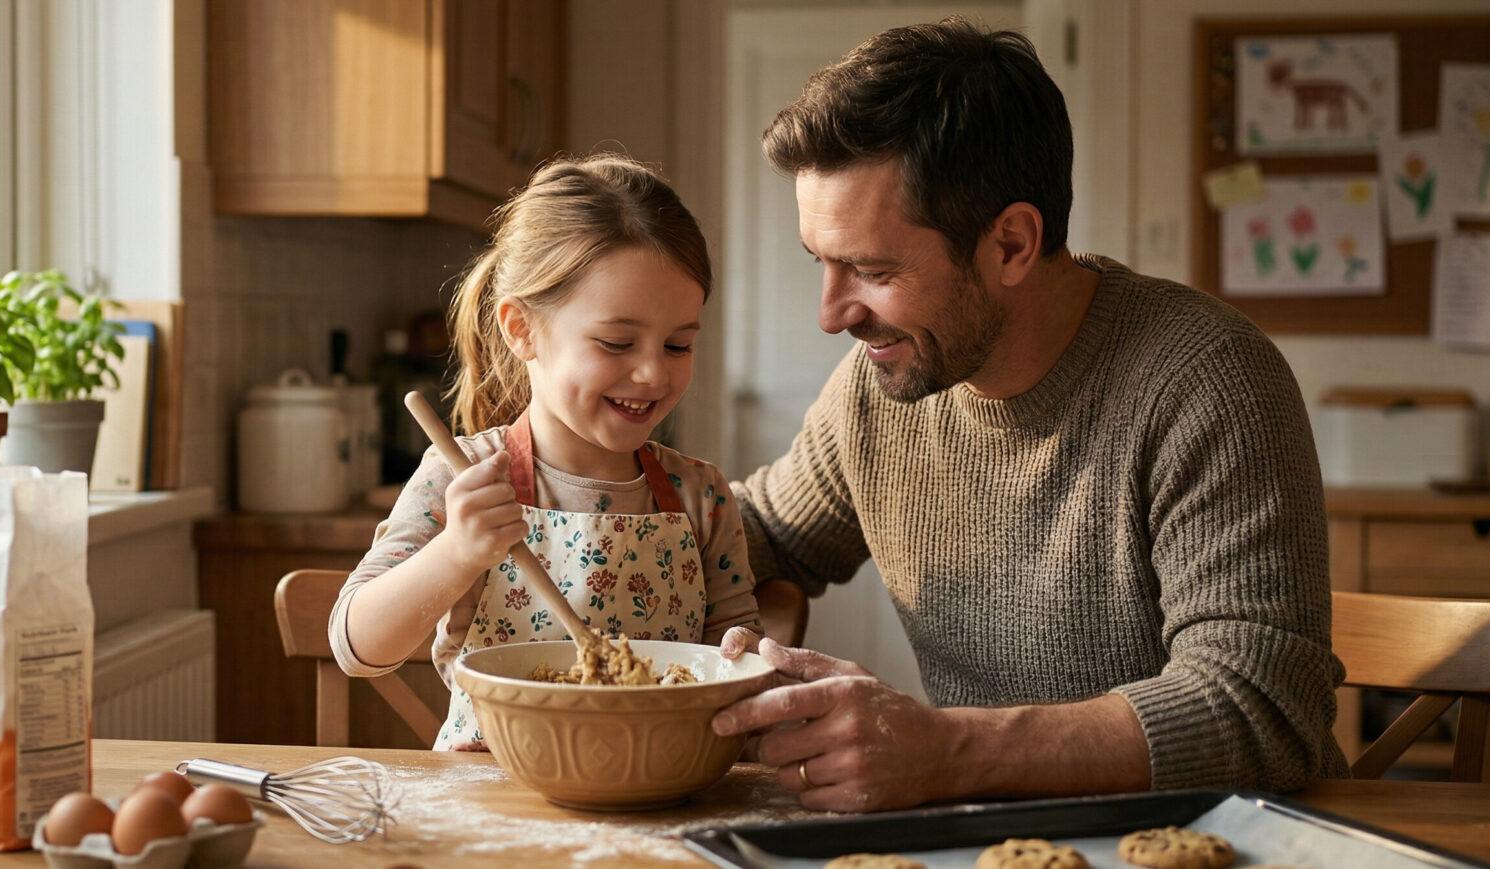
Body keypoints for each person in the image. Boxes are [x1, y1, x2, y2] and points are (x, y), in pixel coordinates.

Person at [712, 18, 1346, 812]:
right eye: (822, 263)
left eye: (871, 270)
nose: (832, 313)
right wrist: (556, 477)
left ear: (1011, 244)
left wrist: (946, 749)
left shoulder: (1208, 381)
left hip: (1227, 843)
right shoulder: (881, 389)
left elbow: (1259, 710)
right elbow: (743, 531)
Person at [331, 154, 762, 749]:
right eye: (617, 342)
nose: (651, 373)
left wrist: (749, 662)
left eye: (678, 345)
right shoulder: (465, 479)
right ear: (522, 329)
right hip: (492, 800)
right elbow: (356, 647)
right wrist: (458, 552)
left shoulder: (703, 497)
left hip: (658, 789)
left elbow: (737, 661)